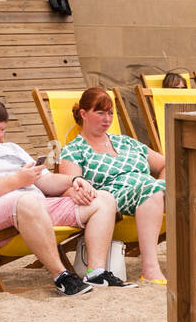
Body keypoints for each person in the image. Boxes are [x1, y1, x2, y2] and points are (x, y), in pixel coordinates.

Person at [0, 94, 119, 296]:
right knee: (25, 201)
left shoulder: (12, 149)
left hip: (35, 210)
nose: (0, 136)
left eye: (3, 130)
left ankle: (96, 272)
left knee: (103, 198)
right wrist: (17, 181)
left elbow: (46, 181)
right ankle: (61, 276)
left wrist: (74, 181)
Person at [57, 87, 166, 285]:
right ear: (83, 114)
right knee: (153, 190)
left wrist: (162, 183)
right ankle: (150, 268)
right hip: (114, 198)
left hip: (154, 191)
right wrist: (78, 191)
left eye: (110, 113)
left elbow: (166, 164)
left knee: (191, 189)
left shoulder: (126, 142)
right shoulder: (74, 150)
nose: (107, 119)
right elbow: (68, 186)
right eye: (100, 112)